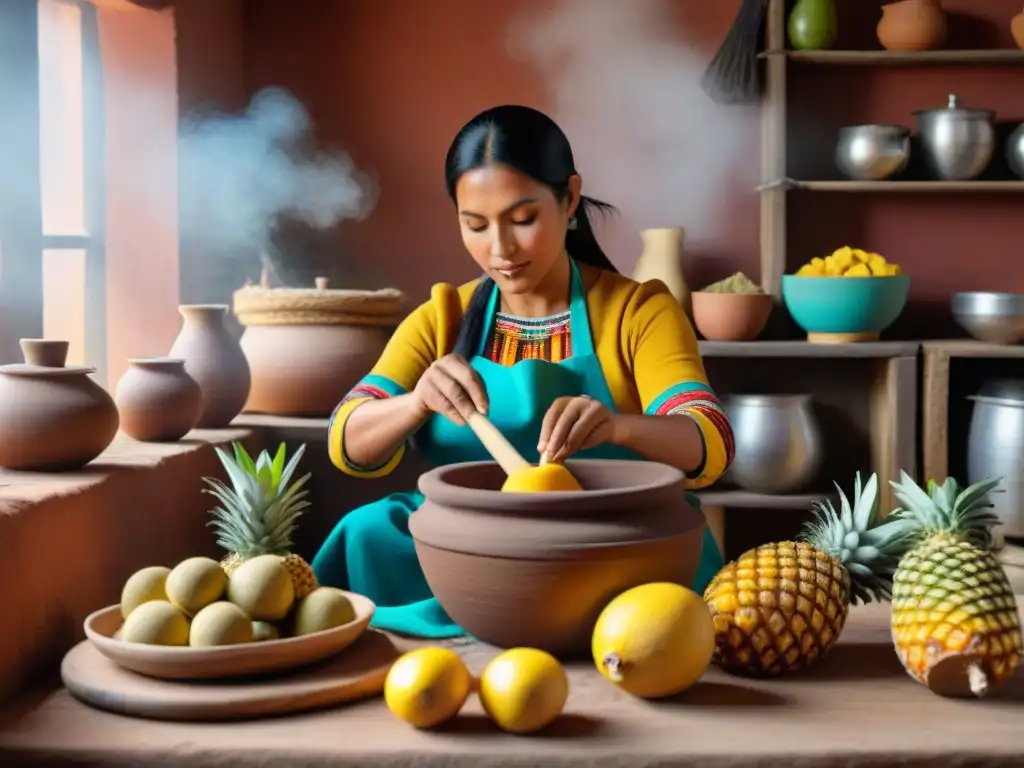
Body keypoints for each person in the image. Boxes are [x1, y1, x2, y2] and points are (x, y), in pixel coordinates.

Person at [313, 104, 735, 638]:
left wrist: (617, 426)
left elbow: (709, 441)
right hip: (464, 548)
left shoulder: (637, 312)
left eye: (522, 220)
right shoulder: (442, 318)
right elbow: (347, 439)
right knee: (369, 529)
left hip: (603, 546)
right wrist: (416, 402)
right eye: (475, 225)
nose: (500, 250)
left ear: (571, 197)